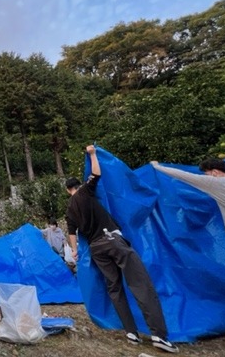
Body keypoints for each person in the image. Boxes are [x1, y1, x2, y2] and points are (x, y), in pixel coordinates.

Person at [66, 145, 178, 353]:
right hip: (111, 240)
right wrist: (93, 154)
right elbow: (96, 174)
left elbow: (72, 233)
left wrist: (74, 251)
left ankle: (131, 332)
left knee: (114, 288)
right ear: (78, 186)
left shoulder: (69, 209)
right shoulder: (85, 193)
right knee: (140, 283)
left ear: (67, 190)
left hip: (96, 249)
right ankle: (159, 335)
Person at [151, 158, 225, 233]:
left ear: (215, 172)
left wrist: (157, 167)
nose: (205, 176)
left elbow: (183, 175)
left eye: (206, 174)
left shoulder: (215, 182)